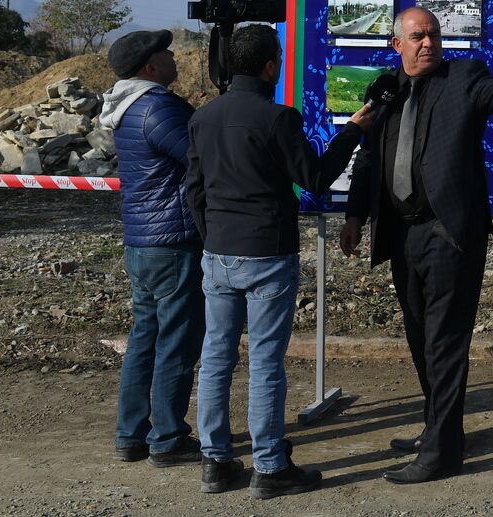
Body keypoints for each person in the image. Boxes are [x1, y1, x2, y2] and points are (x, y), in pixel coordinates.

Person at [341, 6, 493, 484]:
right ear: (396, 45)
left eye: (433, 35)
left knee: (445, 342)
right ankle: (438, 430)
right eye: (417, 36)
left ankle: (442, 454)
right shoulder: (383, 90)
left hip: (448, 233)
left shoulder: (463, 76)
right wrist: (355, 216)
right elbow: (368, 159)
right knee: (421, 339)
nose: (428, 43)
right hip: (401, 234)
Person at [186, 25, 375, 499]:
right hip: (267, 253)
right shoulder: (278, 119)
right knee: (266, 362)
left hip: (219, 253)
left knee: (214, 358)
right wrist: (352, 130)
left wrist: (214, 238)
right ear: (273, 65)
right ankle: (269, 466)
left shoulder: (203, 118)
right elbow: (314, 177)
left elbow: (193, 190)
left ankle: (215, 461)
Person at [99, 30, 203, 468]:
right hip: (172, 241)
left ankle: (131, 434)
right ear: (149, 67)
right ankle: (168, 438)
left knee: (145, 337)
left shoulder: (125, 108)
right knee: (176, 341)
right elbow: (199, 159)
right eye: (165, 52)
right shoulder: (157, 108)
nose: (173, 55)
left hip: (142, 241)